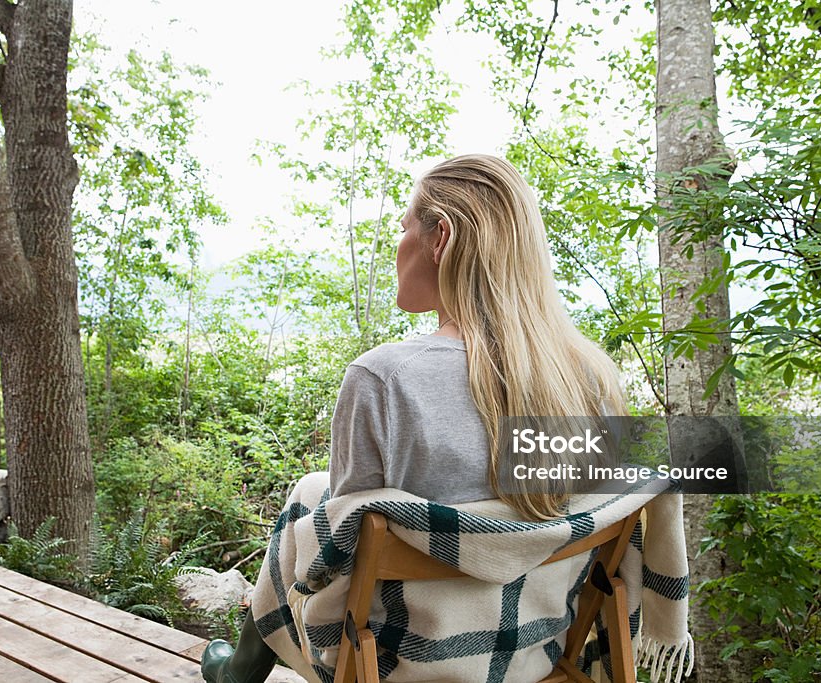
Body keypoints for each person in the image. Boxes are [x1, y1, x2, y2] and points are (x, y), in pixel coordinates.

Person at [202, 154, 628, 683]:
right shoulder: (591, 378)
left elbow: (342, 562)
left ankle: (239, 672)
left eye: (403, 227)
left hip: (402, 664)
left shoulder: (384, 378)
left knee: (313, 501)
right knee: (320, 492)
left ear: (440, 237)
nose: (398, 244)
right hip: (533, 652)